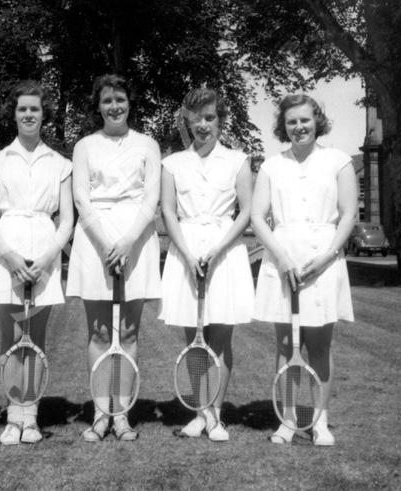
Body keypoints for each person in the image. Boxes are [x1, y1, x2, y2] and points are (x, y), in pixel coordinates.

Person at [251, 94, 357, 446]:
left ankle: (320, 422)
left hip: (324, 260)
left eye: (305, 120)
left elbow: (348, 216)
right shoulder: (270, 166)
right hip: (283, 258)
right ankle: (288, 420)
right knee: (285, 345)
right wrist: (281, 257)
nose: (299, 127)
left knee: (319, 346)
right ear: (283, 126)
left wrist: (328, 256)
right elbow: (257, 218)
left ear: (317, 121)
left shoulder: (338, 161)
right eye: (292, 122)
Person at [66, 74, 162, 442]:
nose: (114, 106)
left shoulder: (148, 144)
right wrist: (107, 242)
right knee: (99, 332)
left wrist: (127, 242)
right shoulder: (85, 145)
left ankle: (122, 414)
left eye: (120, 99)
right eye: (107, 101)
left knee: (130, 331)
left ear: (129, 102)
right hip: (94, 240)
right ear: (98, 106)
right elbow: (80, 198)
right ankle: (100, 413)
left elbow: (150, 198)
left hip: (137, 239)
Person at [0, 81, 73, 445]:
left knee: (36, 338)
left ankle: (30, 417)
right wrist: (11, 256)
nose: (29, 114)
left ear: (43, 113)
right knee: (11, 337)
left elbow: (66, 220)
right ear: (14, 114)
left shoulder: (60, 163)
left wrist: (48, 256)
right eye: (22, 109)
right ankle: (12, 415)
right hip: (8, 252)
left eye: (34, 108)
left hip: (45, 252)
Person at [160, 88, 254, 442]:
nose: (203, 125)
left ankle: (214, 412)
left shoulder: (238, 160)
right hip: (185, 251)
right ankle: (201, 413)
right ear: (187, 118)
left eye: (210, 117)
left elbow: (245, 212)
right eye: (197, 117)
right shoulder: (172, 164)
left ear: (221, 120)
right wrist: (185, 253)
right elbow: (168, 211)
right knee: (194, 338)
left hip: (225, 251)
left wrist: (216, 250)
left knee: (221, 336)